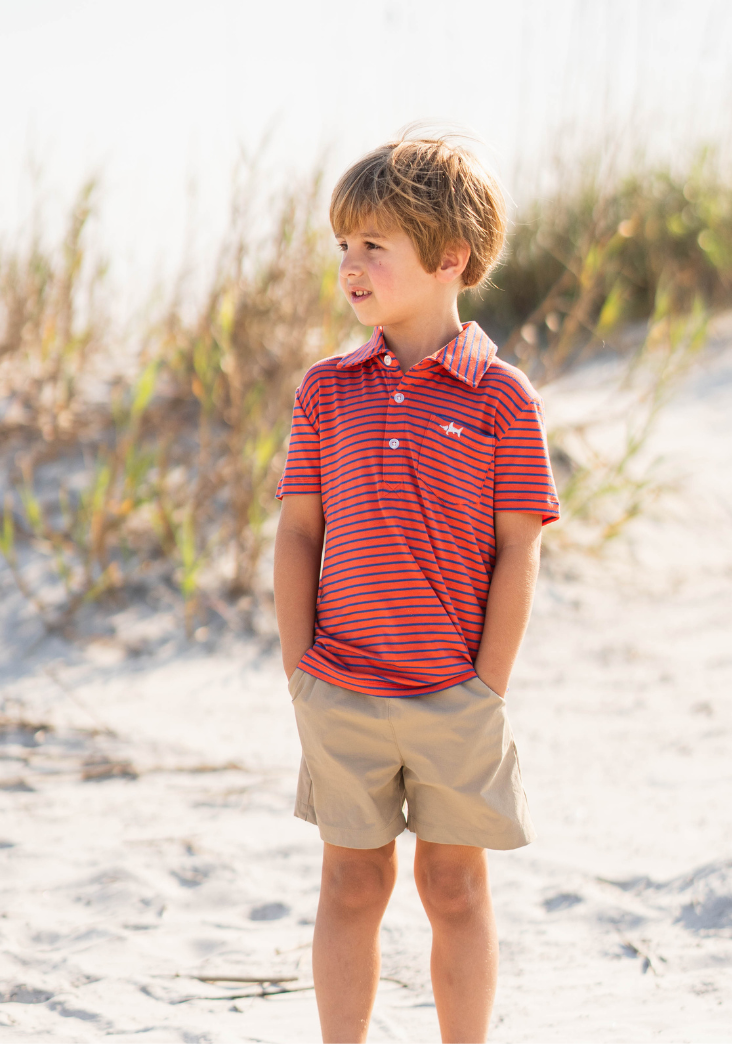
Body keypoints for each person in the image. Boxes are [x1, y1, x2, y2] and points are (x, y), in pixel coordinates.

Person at [273, 135, 559, 1044]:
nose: (350, 266)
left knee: (455, 885)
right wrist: (300, 670)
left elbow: (519, 550)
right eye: (343, 246)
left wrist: (487, 686)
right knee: (351, 883)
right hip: (341, 688)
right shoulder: (326, 391)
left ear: (450, 259)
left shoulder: (503, 398)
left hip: (454, 694)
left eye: (374, 246)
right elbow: (299, 532)